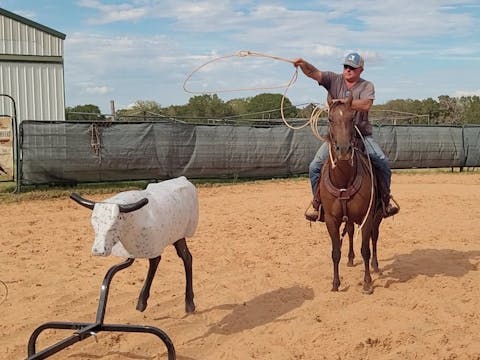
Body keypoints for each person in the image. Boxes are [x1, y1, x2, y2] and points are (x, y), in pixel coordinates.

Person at [293, 52, 399, 221]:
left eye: (352, 68)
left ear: (360, 70)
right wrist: (302, 63)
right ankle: (317, 204)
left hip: (361, 135)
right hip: (336, 137)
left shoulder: (366, 86)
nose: (348, 70)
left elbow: (366, 104)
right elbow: (314, 73)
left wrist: (342, 102)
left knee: (382, 161)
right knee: (314, 166)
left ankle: (385, 201)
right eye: (346, 67)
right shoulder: (333, 79)